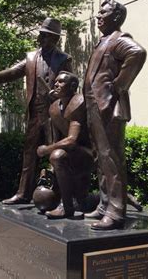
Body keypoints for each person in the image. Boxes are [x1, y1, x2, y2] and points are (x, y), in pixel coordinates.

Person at [0, 18, 72, 205]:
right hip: (35, 114)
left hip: (53, 114)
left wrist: (59, 94)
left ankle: (61, 197)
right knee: (29, 154)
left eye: (45, 36)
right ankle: (23, 194)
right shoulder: (31, 57)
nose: (41, 38)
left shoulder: (64, 59)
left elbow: (70, 84)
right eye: (40, 35)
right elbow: (13, 71)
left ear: (54, 38)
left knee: (56, 155)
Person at [83, 0, 147, 230]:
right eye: (98, 12)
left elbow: (138, 53)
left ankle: (116, 211)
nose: (98, 16)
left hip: (108, 107)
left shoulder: (119, 40)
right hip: (95, 107)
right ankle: (104, 204)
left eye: (104, 13)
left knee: (111, 159)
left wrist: (118, 86)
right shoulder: (103, 41)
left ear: (117, 17)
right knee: (101, 159)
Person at [36, 71, 93, 219]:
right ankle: (68, 202)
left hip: (88, 153)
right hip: (71, 152)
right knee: (56, 156)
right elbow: (56, 140)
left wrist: (46, 150)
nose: (56, 84)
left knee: (57, 155)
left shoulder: (79, 102)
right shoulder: (54, 107)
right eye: (55, 81)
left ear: (73, 86)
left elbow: (72, 140)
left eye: (61, 82)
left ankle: (66, 208)